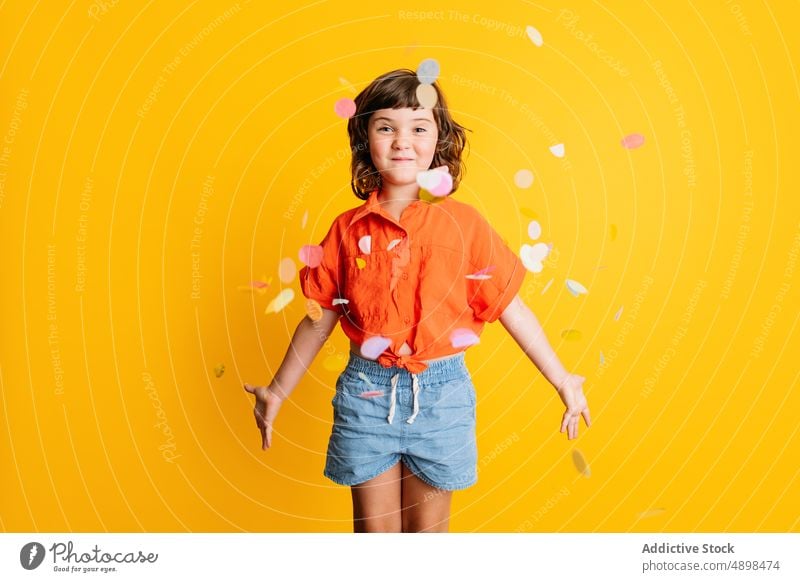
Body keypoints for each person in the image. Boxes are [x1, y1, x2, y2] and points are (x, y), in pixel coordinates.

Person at [244, 67, 590, 533]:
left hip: (443, 399)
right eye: (386, 127)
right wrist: (278, 390)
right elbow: (317, 318)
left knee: (426, 538)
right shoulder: (346, 230)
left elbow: (511, 308)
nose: (402, 141)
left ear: (439, 140)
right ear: (365, 137)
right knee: (376, 534)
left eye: (418, 128)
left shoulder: (465, 225)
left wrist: (563, 379)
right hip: (366, 396)